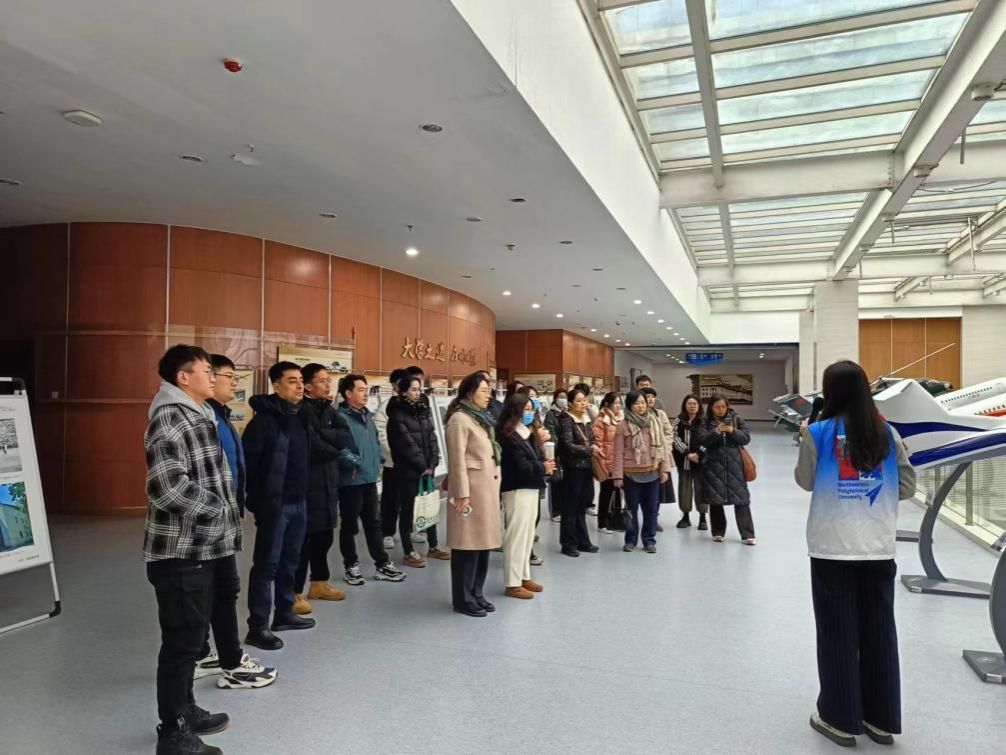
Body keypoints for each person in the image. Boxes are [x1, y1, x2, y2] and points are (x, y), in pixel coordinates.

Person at [795, 360, 915, 748]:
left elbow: (805, 481)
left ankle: (840, 719)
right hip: (877, 546)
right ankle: (881, 719)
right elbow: (908, 487)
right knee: (879, 631)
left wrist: (807, 441)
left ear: (830, 392)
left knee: (837, 633)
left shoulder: (817, 432)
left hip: (832, 547)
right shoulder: (887, 433)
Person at [144, 345, 240, 755]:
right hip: (181, 552)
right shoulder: (170, 418)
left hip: (205, 548)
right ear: (183, 378)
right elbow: (166, 488)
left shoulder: (200, 413)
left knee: (193, 636)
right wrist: (217, 509)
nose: (213, 377)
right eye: (206, 371)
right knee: (182, 643)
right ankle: (173, 731)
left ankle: (185, 709)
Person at [192, 354, 278, 689]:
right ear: (209, 378)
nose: (234, 383)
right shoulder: (204, 418)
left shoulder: (220, 416)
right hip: (209, 520)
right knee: (217, 589)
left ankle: (206, 653)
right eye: (229, 376)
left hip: (223, 516)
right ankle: (226, 662)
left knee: (220, 589)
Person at [242, 362, 316, 652]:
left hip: (299, 502)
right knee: (267, 565)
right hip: (275, 505)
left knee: (290, 561)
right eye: (292, 381)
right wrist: (261, 501)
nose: (300, 386)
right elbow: (248, 466)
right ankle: (258, 626)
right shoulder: (263, 422)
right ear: (276, 386)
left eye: (301, 380)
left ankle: (284, 613)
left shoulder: (300, 416)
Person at [334, 373, 407, 585]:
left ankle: (382, 564)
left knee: (374, 523)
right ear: (348, 393)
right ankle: (351, 566)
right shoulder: (339, 418)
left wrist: (377, 460)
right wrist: (356, 463)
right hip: (351, 480)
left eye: (366, 390)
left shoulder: (367, 415)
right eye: (360, 390)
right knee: (350, 526)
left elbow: (374, 441)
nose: (365, 394)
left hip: (369, 478)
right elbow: (338, 448)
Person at [445, 371, 503, 617]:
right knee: (466, 546)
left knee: (483, 545)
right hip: (470, 493)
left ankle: (477, 593)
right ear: (470, 393)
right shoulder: (459, 419)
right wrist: (462, 494)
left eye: (489, 391)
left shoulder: (480, 418)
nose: (488, 395)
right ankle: (463, 599)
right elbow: (457, 460)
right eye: (484, 391)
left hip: (486, 491)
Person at [292, 363, 347, 616]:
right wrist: (333, 446)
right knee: (302, 542)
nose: (328, 384)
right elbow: (312, 446)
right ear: (308, 386)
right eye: (323, 380)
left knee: (324, 537)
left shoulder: (330, 410)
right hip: (307, 485)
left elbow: (345, 438)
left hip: (328, 483)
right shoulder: (301, 411)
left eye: (329, 380)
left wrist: (328, 439)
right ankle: (294, 591)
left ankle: (319, 582)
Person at [387, 372, 449, 567]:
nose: (417, 393)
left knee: (430, 506)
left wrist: (433, 462)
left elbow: (432, 437)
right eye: (413, 390)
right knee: (407, 509)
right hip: (408, 470)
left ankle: (434, 546)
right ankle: (408, 551)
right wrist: (422, 465)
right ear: (403, 391)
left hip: (426, 468)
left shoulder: (422, 410)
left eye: (419, 390)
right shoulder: (397, 414)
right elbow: (405, 443)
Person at [497, 393, 554, 599]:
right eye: (526, 409)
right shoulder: (509, 435)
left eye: (531, 409)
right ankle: (512, 583)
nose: (530, 413)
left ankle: (523, 576)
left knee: (527, 535)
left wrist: (544, 464)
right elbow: (521, 466)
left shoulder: (527, 434)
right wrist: (543, 467)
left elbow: (535, 459)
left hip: (530, 488)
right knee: (516, 537)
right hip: (517, 489)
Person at [612, 390, 670, 553]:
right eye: (636, 403)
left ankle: (649, 540)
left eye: (643, 402)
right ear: (629, 406)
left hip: (652, 472)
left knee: (651, 509)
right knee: (631, 510)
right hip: (631, 474)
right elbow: (618, 452)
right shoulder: (622, 425)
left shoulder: (655, 422)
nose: (641, 406)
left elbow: (663, 448)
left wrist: (664, 469)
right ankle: (631, 540)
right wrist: (617, 476)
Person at [694, 394, 755, 545]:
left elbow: (746, 438)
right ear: (711, 407)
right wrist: (716, 432)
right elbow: (702, 440)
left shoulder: (736, 419)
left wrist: (732, 431)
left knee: (742, 499)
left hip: (735, 465)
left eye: (723, 406)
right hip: (713, 464)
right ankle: (718, 532)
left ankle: (747, 534)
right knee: (715, 499)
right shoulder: (705, 422)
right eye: (717, 407)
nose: (721, 410)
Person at [556, 386, 601, 557]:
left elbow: (592, 438)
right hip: (573, 468)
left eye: (584, 400)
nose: (583, 403)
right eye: (579, 401)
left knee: (581, 505)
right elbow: (567, 445)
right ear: (570, 403)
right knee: (570, 506)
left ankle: (583, 541)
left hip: (586, 467)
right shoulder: (566, 420)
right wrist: (589, 450)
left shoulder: (586, 417)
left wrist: (595, 445)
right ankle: (568, 543)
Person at [375, 368, 410, 551]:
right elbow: (381, 433)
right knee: (391, 499)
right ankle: (387, 532)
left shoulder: (416, 405)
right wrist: (396, 453)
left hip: (412, 464)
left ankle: (411, 530)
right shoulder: (386, 407)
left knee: (411, 499)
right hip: (393, 462)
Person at [671, 394, 707, 531]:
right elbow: (674, 437)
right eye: (689, 403)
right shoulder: (678, 420)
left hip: (701, 461)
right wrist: (687, 453)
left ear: (699, 406)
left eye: (695, 404)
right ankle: (685, 516)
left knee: (701, 489)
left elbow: (709, 439)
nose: (692, 406)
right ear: (684, 405)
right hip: (684, 461)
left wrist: (698, 453)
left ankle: (703, 517)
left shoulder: (705, 421)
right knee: (684, 489)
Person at [641, 387, 674, 531]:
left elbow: (669, 432)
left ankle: (653, 519)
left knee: (658, 490)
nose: (650, 399)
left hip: (661, 457)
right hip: (643, 458)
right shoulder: (637, 415)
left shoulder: (660, 414)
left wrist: (664, 447)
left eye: (652, 397)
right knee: (644, 490)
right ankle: (646, 518)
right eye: (647, 397)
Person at [591, 392, 624, 535]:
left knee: (618, 492)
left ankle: (615, 521)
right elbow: (598, 443)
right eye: (615, 403)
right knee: (606, 492)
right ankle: (602, 522)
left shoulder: (621, 418)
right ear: (607, 404)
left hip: (619, 461)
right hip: (607, 462)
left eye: (619, 403)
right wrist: (604, 462)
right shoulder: (601, 420)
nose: (618, 406)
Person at [544, 389, 568, 522]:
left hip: (567, 453)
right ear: (555, 399)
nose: (563, 400)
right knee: (555, 481)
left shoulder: (568, 413)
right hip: (556, 451)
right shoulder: (551, 414)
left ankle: (565, 508)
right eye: (560, 397)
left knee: (566, 482)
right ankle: (555, 511)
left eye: (565, 397)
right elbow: (551, 433)